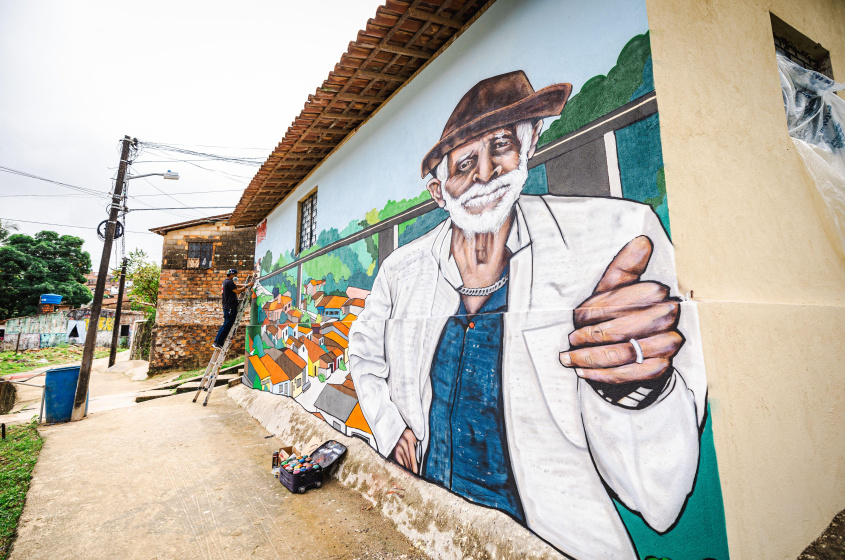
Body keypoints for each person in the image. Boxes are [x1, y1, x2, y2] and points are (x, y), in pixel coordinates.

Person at [349, 71, 708, 559]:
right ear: (439, 193)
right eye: (464, 163)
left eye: (501, 146)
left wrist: (632, 389)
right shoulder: (400, 271)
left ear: (530, 145)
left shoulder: (610, 241)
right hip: (431, 530)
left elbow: (659, 501)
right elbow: (363, 353)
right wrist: (391, 430)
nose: (485, 173)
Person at [213, 269, 249, 349]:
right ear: (232, 275)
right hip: (230, 307)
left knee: (226, 324)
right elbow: (237, 291)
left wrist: (246, 284)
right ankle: (218, 342)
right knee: (227, 325)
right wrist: (247, 286)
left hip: (227, 307)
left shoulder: (226, 282)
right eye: (235, 275)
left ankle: (218, 342)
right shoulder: (229, 282)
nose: (236, 277)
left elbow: (236, 286)